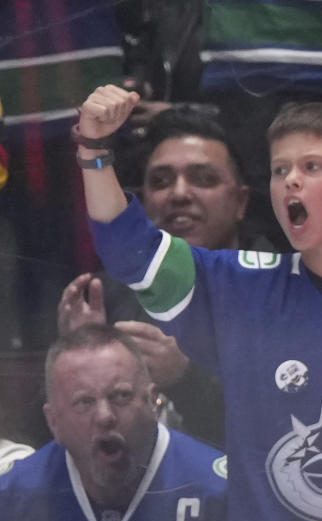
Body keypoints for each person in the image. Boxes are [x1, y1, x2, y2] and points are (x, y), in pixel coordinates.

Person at [74, 85, 322, 521]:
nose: (291, 181)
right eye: (280, 169)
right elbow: (130, 249)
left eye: (312, 167)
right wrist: (94, 149)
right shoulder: (241, 286)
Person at [57, 108, 263, 448]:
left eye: (204, 179)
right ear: (144, 200)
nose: (179, 194)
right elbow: (54, 434)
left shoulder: (281, 287)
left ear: (240, 201)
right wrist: (77, 361)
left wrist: (184, 379)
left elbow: (280, 432)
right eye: (161, 182)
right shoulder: (102, 298)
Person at [0, 323, 226, 521]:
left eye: (121, 396)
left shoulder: (222, 492)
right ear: (53, 422)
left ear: (152, 402)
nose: (105, 416)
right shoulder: (11, 497)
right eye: (84, 402)